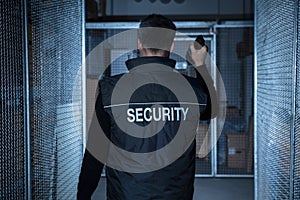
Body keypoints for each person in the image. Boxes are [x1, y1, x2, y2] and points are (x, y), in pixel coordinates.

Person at [77, 14, 217, 200]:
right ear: (171, 46)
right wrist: (200, 65)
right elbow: (212, 110)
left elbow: (96, 152)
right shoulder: (191, 90)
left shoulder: (111, 90)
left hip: (126, 194)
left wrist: (83, 196)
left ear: (140, 43)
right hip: (176, 194)